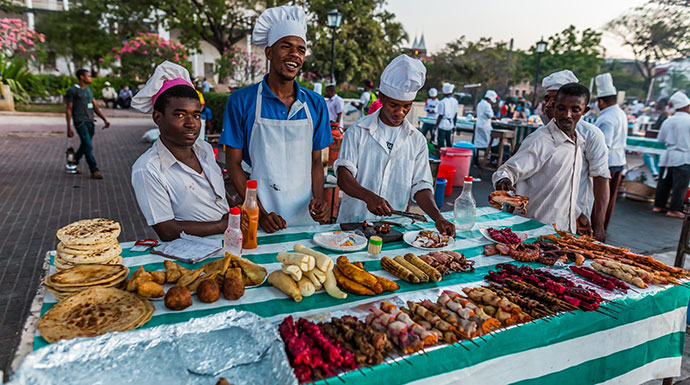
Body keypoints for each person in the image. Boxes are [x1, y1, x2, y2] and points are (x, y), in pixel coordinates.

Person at [220, 5, 332, 233]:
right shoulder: (242, 101)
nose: (295, 55)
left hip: (304, 217)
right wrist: (258, 212)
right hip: (262, 216)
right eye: (286, 46)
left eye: (301, 50)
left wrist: (319, 200)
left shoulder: (316, 104)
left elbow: (315, 162)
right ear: (269, 52)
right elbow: (233, 165)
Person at [334, 54, 455, 236]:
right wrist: (368, 197)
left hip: (393, 229)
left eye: (406, 106)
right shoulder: (358, 131)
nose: (400, 112)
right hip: (353, 224)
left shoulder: (417, 140)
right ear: (381, 97)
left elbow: (421, 186)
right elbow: (344, 177)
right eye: (393, 105)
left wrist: (437, 217)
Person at [130, 61, 229, 241]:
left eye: (196, 115)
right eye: (179, 115)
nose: (191, 124)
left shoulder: (204, 149)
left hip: (226, 244)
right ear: (157, 117)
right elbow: (167, 231)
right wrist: (223, 225)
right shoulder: (148, 168)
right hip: (189, 255)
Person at [493, 83, 589, 232]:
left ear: (585, 111)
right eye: (561, 108)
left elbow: (562, 188)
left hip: (562, 231)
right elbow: (508, 170)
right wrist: (504, 180)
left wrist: (577, 214)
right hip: (533, 229)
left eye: (575, 110)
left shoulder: (578, 142)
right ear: (554, 106)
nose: (567, 114)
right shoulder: (541, 140)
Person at [541, 70, 610, 241]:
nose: (549, 104)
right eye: (547, 99)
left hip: (575, 217)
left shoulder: (591, 135)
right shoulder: (541, 133)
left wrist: (599, 224)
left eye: (555, 99)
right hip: (540, 213)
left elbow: (601, 178)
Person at [594, 73, 627, 230]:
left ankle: (596, 228)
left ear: (601, 101)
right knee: (610, 199)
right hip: (619, 161)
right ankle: (603, 226)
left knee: (599, 200)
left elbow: (604, 145)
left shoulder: (606, 118)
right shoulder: (621, 113)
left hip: (607, 163)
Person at [65, 69, 110, 179]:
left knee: (85, 145)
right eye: (88, 76)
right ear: (81, 77)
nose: (90, 78)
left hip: (90, 122)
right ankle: (94, 169)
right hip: (80, 122)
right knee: (88, 146)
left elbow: (95, 106)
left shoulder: (89, 90)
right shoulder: (72, 91)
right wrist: (69, 127)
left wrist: (104, 119)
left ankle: (73, 162)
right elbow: (69, 109)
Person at [654, 91, 690, 218]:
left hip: (667, 156)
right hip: (683, 157)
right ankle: (674, 209)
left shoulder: (668, 121)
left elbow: (661, 140)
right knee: (680, 186)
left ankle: (658, 205)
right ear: (686, 106)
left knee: (664, 182)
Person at [433, 83, 458, 149]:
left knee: (441, 141)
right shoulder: (455, 101)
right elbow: (455, 115)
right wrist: (454, 125)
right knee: (448, 141)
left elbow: (440, 115)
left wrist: (436, 125)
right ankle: (449, 154)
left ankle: (441, 155)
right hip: (450, 124)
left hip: (443, 124)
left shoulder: (442, 102)